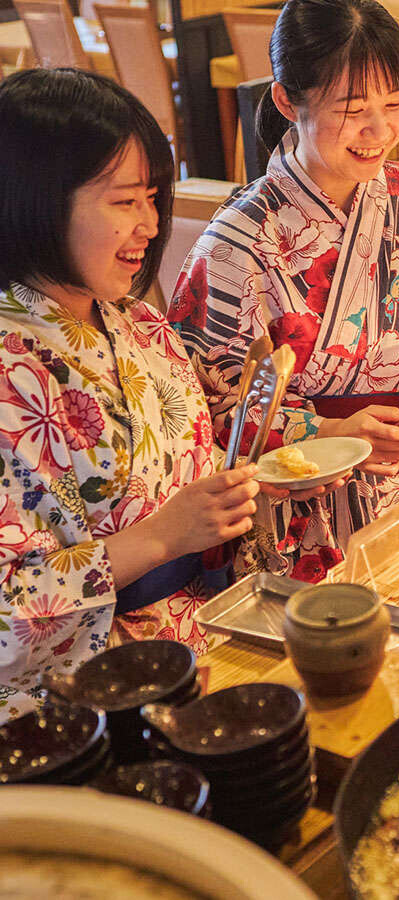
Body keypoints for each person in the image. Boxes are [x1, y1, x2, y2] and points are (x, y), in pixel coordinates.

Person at [171, 0, 399, 584]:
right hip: (302, 518)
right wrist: (330, 433)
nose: (380, 130)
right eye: (352, 109)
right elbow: (202, 413)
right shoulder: (237, 245)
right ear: (288, 101)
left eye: (394, 104)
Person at [0, 69, 263, 715]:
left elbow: (187, 466)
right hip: (81, 704)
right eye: (124, 201)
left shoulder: (138, 322)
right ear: (36, 201)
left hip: (203, 648)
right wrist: (163, 539)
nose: (150, 224)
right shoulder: (10, 368)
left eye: (153, 196)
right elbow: (8, 615)